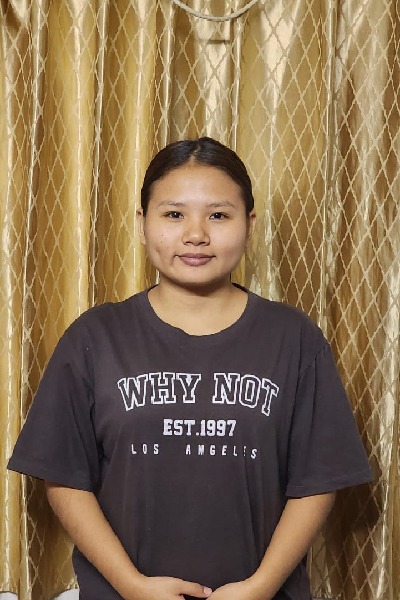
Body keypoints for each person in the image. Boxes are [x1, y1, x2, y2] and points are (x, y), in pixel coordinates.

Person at [8, 137, 372, 600]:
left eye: (218, 215)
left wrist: (259, 587)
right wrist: (131, 585)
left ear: (249, 225)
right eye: (174, 214)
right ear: (142, 225)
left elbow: (316, 483)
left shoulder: (294, 338)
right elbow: (63, 478)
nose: (196, 234)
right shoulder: (95, 337)